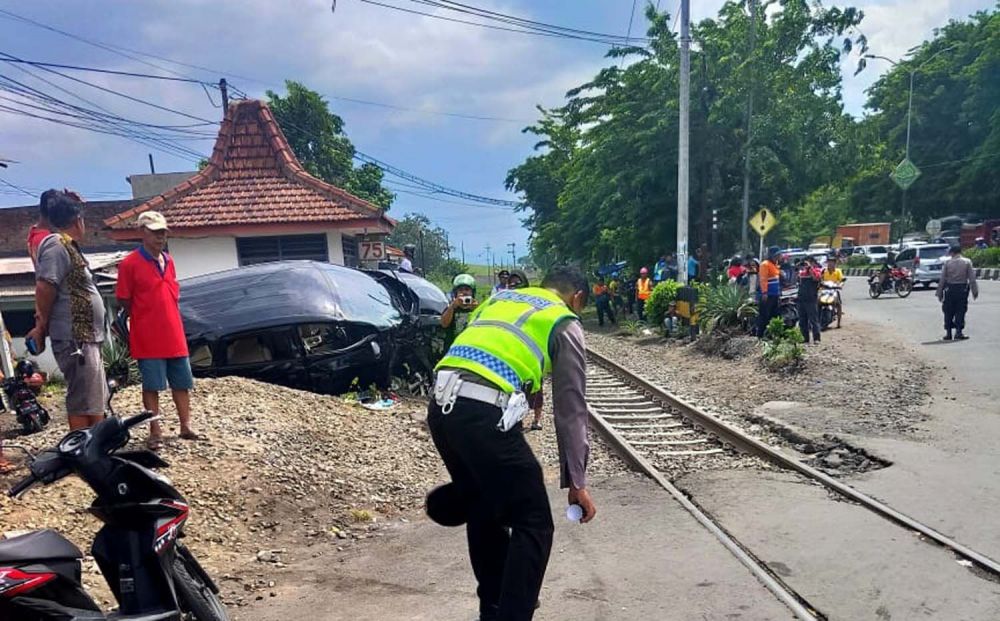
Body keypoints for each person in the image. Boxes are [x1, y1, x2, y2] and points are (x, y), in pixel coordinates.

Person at [427, 266, 595, 620]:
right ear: (577, 298)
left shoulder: (499, 299)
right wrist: (577, 481)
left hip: (442, 410)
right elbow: (571, 407)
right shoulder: (563, 320)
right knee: (533, 521)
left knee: (483, 509)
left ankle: (492, 608)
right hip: (481, 412)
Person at [115, 211, 199, 450]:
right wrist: (142, 315)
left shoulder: (169, 260)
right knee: (152, 385)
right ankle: (155, 430)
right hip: (147, 334)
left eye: (163, 232)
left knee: (182, 382)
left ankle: (186, 424)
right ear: (142, 232)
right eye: (155, 232)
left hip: (174, 331)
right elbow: (124, 298)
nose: (160, 237)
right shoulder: (129, 264)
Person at [26, 190, 107, 431]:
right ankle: (82, 451)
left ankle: (96, 449)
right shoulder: (55, 244)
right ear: (77, 220)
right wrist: (41, 327)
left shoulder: (67, 245)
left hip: (86, 336)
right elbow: (45, 286)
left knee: (93, 398)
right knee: (83, 400)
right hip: (76, 337)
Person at [936, 245, 979, 341]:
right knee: (960, 311)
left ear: (952, 252)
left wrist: (939, 293)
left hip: (950, 289)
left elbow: (942, 279)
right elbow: (972, 279)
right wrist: (975, 291)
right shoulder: (967, 262)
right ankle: (958, 332)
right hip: (962, 289)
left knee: (948, 311)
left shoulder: (947, 263)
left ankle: (948, 333)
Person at [441, 273, 479, 350]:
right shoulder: (451, 308)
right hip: (453, 349)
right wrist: (452, 306)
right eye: (460, 290)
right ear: (456, 293)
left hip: (471, 349)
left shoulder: (477, 308)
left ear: (472, 293)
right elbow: (444, 324)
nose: (464, 292)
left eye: (467, 290)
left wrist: (477, 309)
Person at [755, 248, 781, 337]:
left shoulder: (775, 265)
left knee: (774, 315)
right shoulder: (765, 265)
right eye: (777, 255)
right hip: (768, 295)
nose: (779, 256)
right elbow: (763, 279)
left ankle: (772, 335)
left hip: (775, 294)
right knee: (764, 315)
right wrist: (764, 292)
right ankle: (760, 336)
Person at [796, 256, 823, 344]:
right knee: (802, 320)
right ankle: (805, 338)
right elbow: (798, 280)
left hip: (811, 299)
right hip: (801, 298)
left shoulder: (817, 270)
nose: (806, 264)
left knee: (813, 320)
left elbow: (816, 278)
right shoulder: (802, 273)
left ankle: (816, 338)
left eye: (809, 262)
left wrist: (810, 268)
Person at [821, 256, 845, 329]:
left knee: (838, 305)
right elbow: (820, 279)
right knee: (817, 303)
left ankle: (839, 322)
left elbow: (841, 280)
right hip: (824, 290)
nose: (830, 264)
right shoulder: (824, 271)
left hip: (834, 289)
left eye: (832, 262)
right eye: (829, 262)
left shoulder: (838, 271)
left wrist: (840, 285)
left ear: (835, 263)